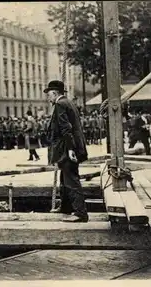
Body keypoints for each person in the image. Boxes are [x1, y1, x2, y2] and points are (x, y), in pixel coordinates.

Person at [44, 80, 88, 222]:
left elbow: (66, 128)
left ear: (55, 93)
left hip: (67, 148)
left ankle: (80, 213)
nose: (48, 98)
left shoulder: (60, 104)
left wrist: (70, 149)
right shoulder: (68, 103)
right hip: (70, 147)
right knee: (65, 178)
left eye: (49, 94)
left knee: (71, 179)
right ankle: (66, 207)